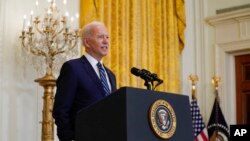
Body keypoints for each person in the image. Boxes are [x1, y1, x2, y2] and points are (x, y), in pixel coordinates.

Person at [52, 21, 117, 141]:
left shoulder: (111, 75)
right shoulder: (73, 68)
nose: (106, 41)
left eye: (107, 37)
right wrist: (69, 138)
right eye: (100, 37)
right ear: (87, 42)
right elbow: (61, 110)